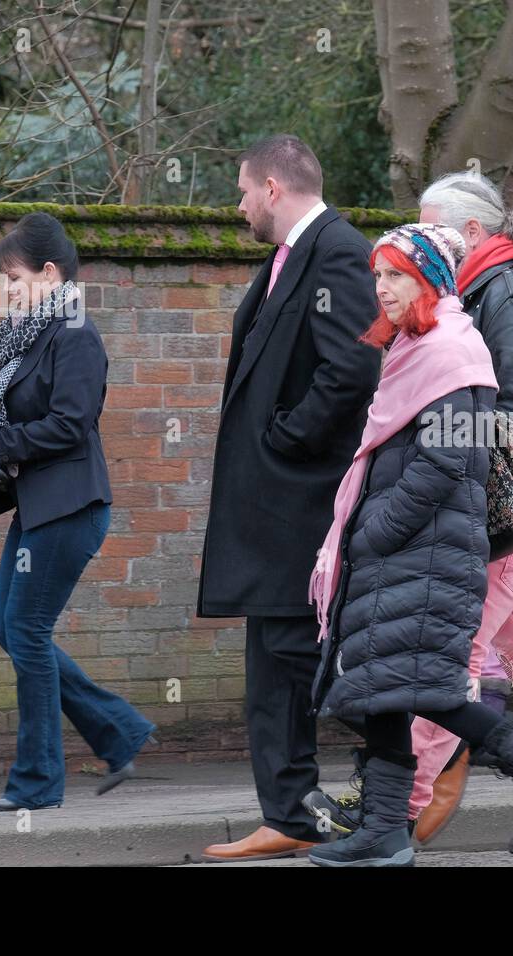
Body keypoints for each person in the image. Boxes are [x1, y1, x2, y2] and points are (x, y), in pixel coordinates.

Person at [305, 223, 513, 867]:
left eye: (396, 275)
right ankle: (383, 831)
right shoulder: (413, 348)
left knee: (429, 691)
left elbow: (447, 462)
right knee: (384, 687)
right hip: (401, 554)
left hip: (426, 553)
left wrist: (374, 532)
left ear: (431, 280)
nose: (381, 288)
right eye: (377, 275)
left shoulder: (454, 354)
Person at [0, 212, 156, 810]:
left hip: (70, 507)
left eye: (13, 276)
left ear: (50, 273)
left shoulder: (74, 333)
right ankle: (118, 730)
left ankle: (37, 783)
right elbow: (10, 425)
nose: (5, 288)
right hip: (38, 506)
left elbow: (69, 425)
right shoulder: (26, 334)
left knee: (26, 631)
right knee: (9, 627)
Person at [196, 135, 381, 861]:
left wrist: (287, 440)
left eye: (243, 191)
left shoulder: (335, 250)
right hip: (271, 502)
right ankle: (290, 815)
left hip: (298, 498)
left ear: (273, 187)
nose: (239, 205)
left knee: (300, 657)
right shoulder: (287, 257)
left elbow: (353, 364)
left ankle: (429, 736)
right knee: (275, 660)